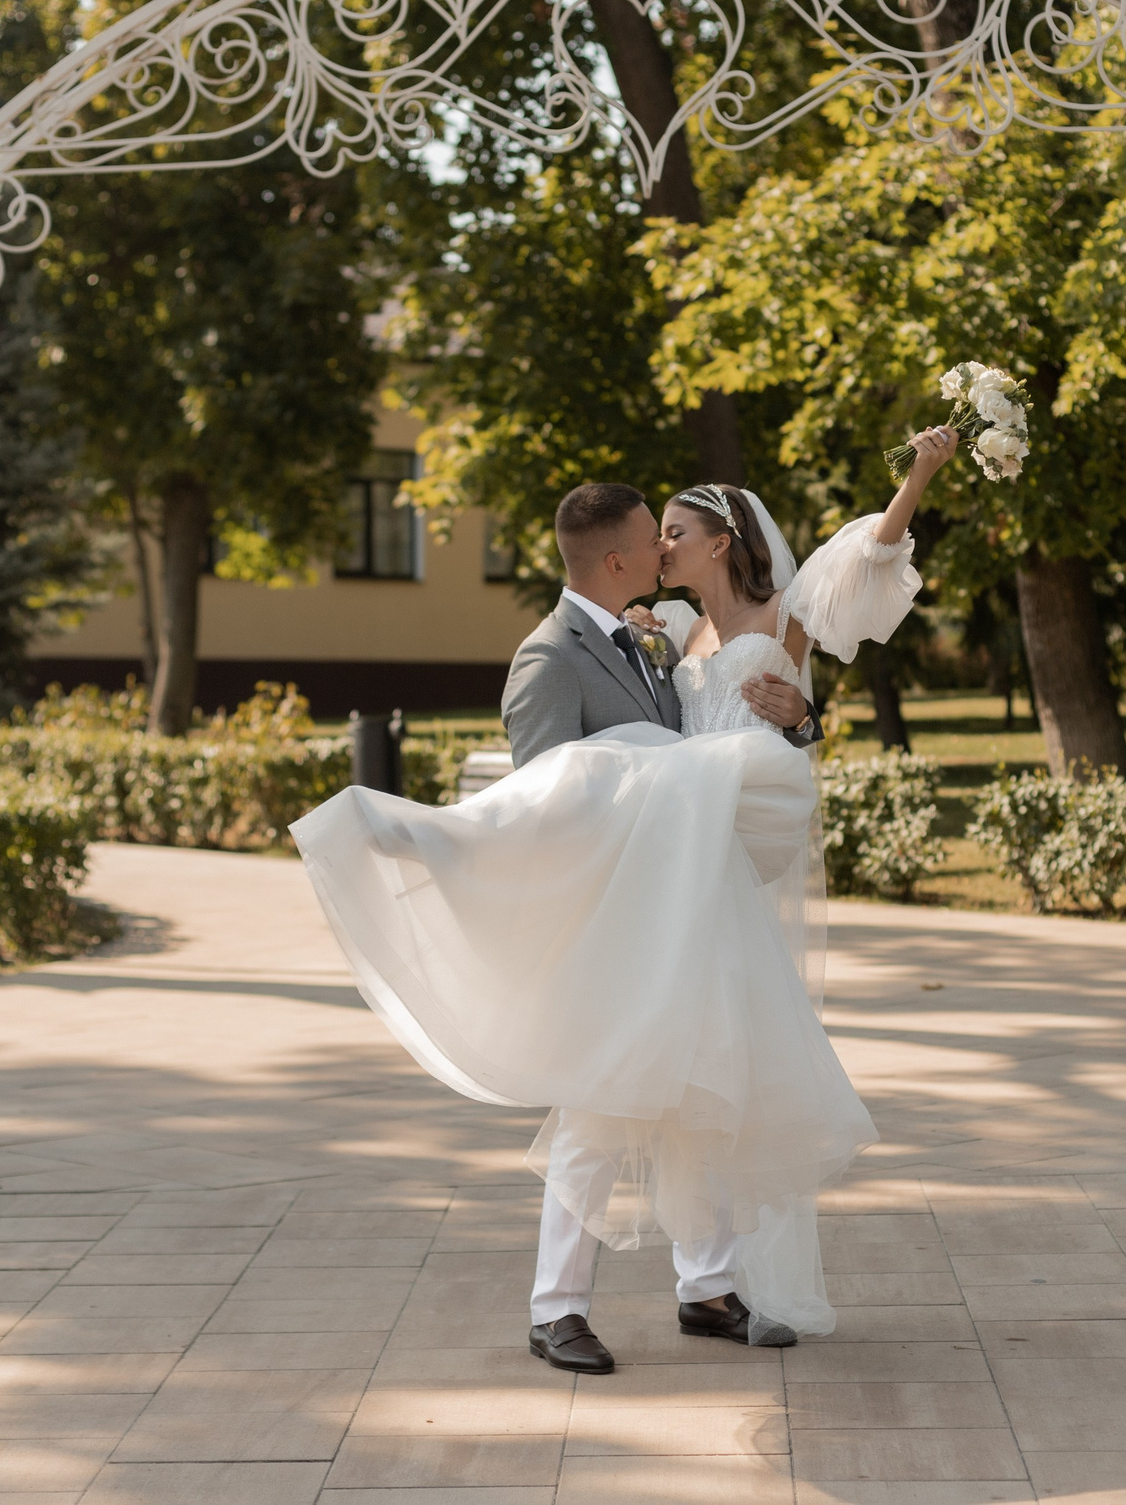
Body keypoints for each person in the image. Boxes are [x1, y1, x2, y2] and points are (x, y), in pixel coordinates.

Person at [289, 429, 958, 1377]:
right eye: (655, 536)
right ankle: (555, 1308)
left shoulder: (667, 636)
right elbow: (544, 796)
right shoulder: (556, 654)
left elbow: (850, 590)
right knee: (599, 1103)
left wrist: (803, 718)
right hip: (620, 913)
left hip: (709, 892)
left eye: (676, 533)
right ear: (619, 557)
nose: (664, 549)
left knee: (712, 1084)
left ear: (718, 543)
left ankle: (708, 1286)